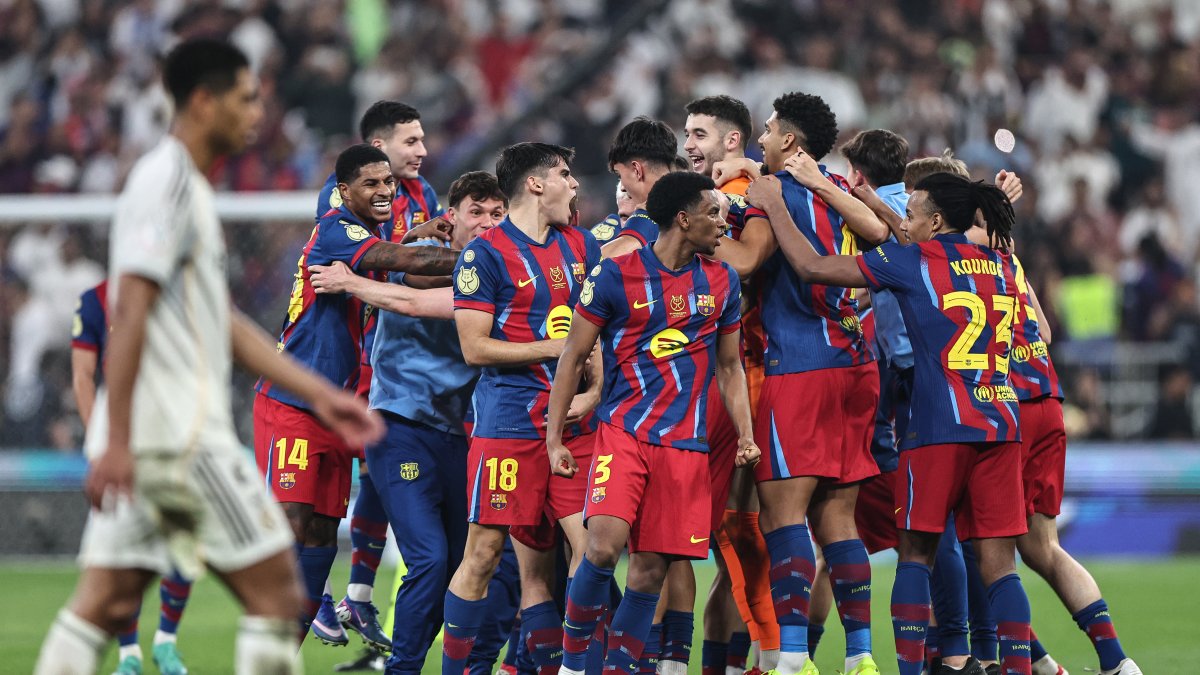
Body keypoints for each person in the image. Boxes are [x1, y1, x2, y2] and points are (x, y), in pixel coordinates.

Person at [34, 38, 383, 675]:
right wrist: (113, 438)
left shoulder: (185, 187)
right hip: (177, 439)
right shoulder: (165, 183)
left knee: (99, 601)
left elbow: (218, 322)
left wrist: (322, 393)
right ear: (203, 101)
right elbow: (130, 311)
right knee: (279, 589)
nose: (258, 112)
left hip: (153, 434)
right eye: (246, 98)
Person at [753, 162, 1038, 675]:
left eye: (911, 213)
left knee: (916, 555)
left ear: (934, 221)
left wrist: (774, 206)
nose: (905, 222)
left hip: (936, 427)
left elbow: (815, 268)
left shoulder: (912, 262)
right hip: (1001, 422)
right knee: (1001, 568)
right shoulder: (999, 264)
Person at [552, 171, 760, 675]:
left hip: (686, 444)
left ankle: (619, 669)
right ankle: (574, 665)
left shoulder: (722, 280)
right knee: (601, 548)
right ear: (683, 219)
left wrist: (746, 434)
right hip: (624, 431)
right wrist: (553, 437)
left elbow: (730, 366)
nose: (723, 221)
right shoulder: (615, 274)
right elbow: (573, 355)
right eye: (714, 213)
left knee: (650, 571)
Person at [253, 143, 459, 648]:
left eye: (388, 182)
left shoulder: (364, 236)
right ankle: (258, 652)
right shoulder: (335, 229)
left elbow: (397, 256)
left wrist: (418, 232)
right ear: (344, 192)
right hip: (291, 403)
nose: (386, 190)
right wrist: (490, 260)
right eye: (372, 183)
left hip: (332, 409)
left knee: (323, 535)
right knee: (291, 528)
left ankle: (285, 654)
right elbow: (400, 259)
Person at [310, 171, 511, 675]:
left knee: (462, 568)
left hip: (457, 439)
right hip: (398, 429)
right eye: (476, 213)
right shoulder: (416, 263)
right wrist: (362, 278)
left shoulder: (503, 279)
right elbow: (414, 288)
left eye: (497, 215)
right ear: (453, 219)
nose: (487, 224)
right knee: (427, 558)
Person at [439, 142, 602, 675]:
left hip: (573, 423)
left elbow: (601, 337)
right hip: (509, 423)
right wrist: (555, 348)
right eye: (564, 174)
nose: (574, 185)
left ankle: (572, 667)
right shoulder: (484, 254)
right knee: (484, 556)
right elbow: (474, 347)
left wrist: (593, 391)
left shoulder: (581, 247)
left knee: (592, 549)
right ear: (536, 184)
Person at [683, 93, 780, 675]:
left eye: (699, 133)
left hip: (746, 370)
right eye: (686, 133)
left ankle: (776, 657)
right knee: (732, 539)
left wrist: (683, 224)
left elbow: (744, 262)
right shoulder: (731, 191)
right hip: (731, 370)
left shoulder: (743, 197)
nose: (688, 143)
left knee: (738, 525)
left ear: (732, 140)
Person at [71, 279, 193, 675]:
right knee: (121, 554)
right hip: (121, 440)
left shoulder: (173, 293)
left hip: (169, 433)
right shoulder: (95, 301)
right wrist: (100, 442)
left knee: (183, 545)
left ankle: (166, 643)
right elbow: (82, 376)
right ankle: (128, 655)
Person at [602, 117, 680, 259]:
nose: (623, 187)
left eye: (620, 175)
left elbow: (598, 265)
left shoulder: (652, 215)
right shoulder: (702, 202)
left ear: (637, 170)